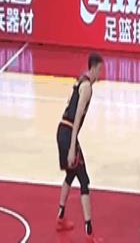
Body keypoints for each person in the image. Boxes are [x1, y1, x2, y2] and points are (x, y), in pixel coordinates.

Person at [56, 53, 104, 242]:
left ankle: (60, 218)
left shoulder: (79, 81)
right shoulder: (87, 88)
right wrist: (72, 146)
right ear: (94, 68)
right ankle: (89, 232)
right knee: (84, 180)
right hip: (68, 133)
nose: (100, 74)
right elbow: (76, 116)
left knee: (71, 174)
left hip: (62, 130)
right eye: (100, 70)